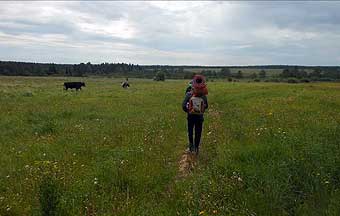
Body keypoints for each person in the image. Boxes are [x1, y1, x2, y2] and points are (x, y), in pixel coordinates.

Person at [182, 75, 208, 155]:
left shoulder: (188, 95)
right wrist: (201, 110)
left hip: (190, 117)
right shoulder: (203, 95)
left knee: (190, 131)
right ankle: (196, 148)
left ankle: (191, 147)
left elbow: (183, 106)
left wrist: (189, 111)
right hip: (199, 117)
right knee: (198, 132)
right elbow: (206, 106)